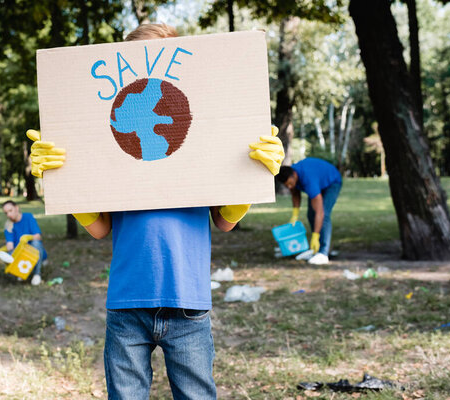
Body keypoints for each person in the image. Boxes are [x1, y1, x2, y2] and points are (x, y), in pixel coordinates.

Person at [27, 23, 284, 399]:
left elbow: (225, 222)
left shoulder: (203, 145)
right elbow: (100, 230)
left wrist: (251, 176)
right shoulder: (109, 151)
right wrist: (65, 179)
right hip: (127, 304)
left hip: (188, 304)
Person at [277, 157, 342, 265]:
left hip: (332, 181)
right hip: (318, 181)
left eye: (290, 183)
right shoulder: (292, 176)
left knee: (323, 214)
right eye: (286, 185)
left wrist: (315, 235)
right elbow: (295, 193)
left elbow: (320, 212)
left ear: (294, 175)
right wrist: (295, 214)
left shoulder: (308, 180)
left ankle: (323, 253)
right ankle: (317, 248)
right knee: (310, 215)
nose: (289, 187)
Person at [1, 200, 47, 286]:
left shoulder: (28, 217)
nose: (9, 215)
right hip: (21, 255)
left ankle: (37, 274)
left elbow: (38, 236)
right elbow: (10, 245)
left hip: (34, 251)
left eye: (10, 211)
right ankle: (22, 272)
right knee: (10, 254)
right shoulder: (8, 225)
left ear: (17, 208)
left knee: (36, 243)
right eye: (6, 213)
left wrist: (28, 237)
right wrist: (4, 253)